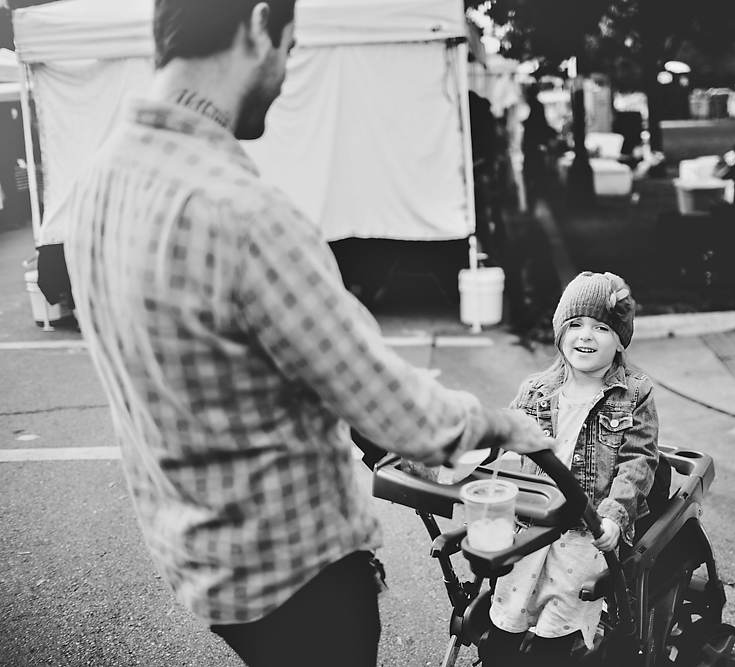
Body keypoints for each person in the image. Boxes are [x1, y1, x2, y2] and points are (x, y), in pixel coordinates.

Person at [58, 2, 552, 666]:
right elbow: (401, 412)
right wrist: (507, 425)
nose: (287, 75)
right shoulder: (242, 213)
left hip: (202, 567)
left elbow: (234, 369)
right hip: (302, 586)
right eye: (290, 49)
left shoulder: (95, 184)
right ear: (259, 22)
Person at [478, 271, 660, 667]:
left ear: (620, 340)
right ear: (560, 331)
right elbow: (502, 434)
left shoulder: (634, 395)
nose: (586, 336)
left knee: (556, 631)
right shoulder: (536, 390)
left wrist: (614, 518)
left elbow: (639, 461)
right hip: (533, 525)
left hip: (586, 532)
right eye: (575, 324)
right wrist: (469, 449)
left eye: (601, 327)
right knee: (506, 618)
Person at [520, 91, 558, 206]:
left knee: (533, 179)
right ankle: (536, 203)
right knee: (537, 179)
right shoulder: (536, 115)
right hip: (535, 152)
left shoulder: (534, 116)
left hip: (533, 152)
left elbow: (540, 130)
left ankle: (535, 203)